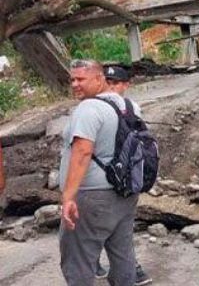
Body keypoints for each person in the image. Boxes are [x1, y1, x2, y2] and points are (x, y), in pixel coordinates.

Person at [59, 60, 139, 285]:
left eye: (81, 79)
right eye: (72, 79)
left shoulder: (89, 108)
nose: (75, 84)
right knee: (123, 254)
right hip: (125, 191)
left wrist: (68, 197)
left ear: (99, 78)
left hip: (92, 196)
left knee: (78, 260)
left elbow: (83, 151)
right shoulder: (128, 106)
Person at [92, 66, 152, 285]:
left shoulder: (90, 106)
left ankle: (102, 265)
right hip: (124, 178)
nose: (110, 87)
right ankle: (130, 270)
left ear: (124, 85)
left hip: (100, 179)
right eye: (108, 82)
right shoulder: (131, 106)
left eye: (114, 83)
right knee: (119, 228)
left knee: (101, 225)